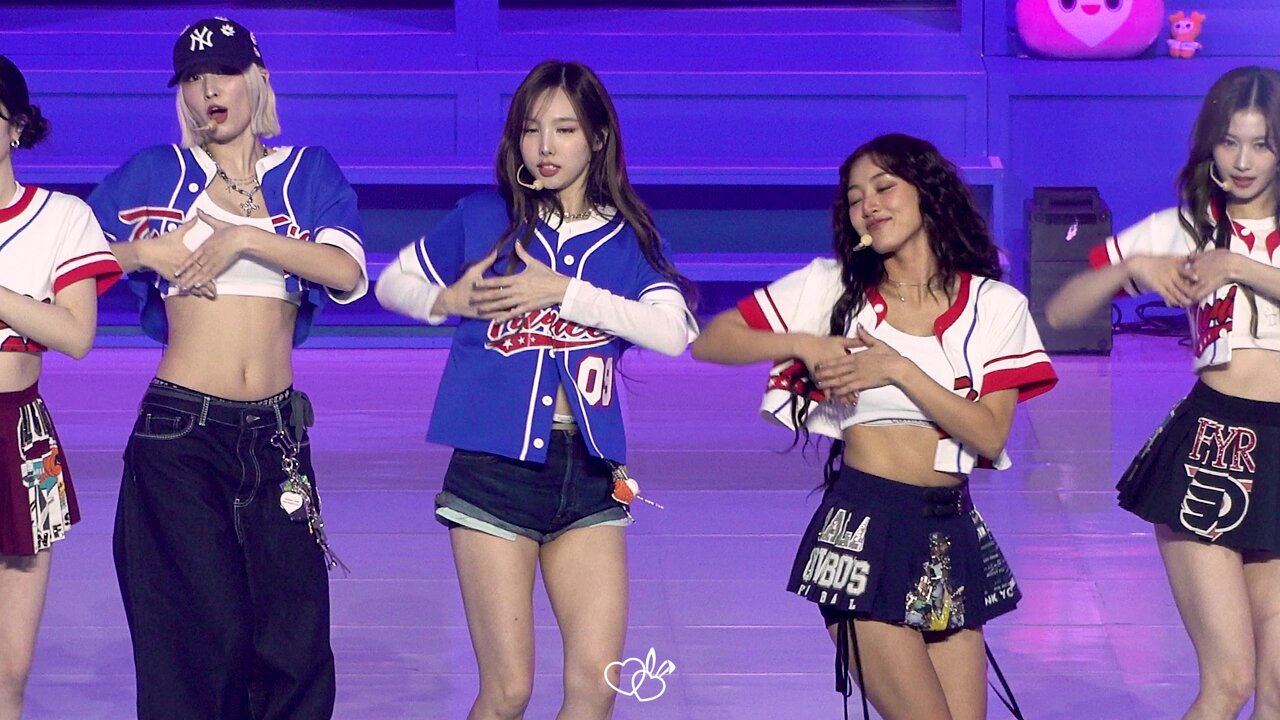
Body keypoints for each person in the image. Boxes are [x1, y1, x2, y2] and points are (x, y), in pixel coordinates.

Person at [691, 133, 1056, 720]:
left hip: (950, 533)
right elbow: (713, 339)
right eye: (856, 197)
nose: (869, 205)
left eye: (884, 188)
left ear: (927, 193)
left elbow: (990, 435)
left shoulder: (996, 305)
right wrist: (803, 343)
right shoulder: (830, 287)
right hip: (863, 531)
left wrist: (899, 369)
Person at [375, 60, 697, 720]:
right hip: (494, 474)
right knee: (508, 693)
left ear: (598, 138)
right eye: (530, 129)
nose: (545, 147)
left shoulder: (627, 237)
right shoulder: (483, 217)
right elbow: (391, 283)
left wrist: (564, 293)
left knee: (596, 689)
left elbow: (674, 332)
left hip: (591, 476)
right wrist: (445, 299)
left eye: (565, 129)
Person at [86, 17, 368, 720]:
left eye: (226, 73)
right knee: (196, 646)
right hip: (180, 438)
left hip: (276, 438)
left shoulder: (307, 172)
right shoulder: (156, 172)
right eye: (193, 78)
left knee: (294, 646)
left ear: (259, 79)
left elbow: (344, 271)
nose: (210, 89)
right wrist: (141, 253)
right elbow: (68, 261)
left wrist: (246, 237)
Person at [1047, 66, 1280, 720]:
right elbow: (1062, 310)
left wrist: (1237, 266)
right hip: (1213, 446)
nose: (1242, 162)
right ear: (1209, 144)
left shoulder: (1240, 247)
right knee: (1229, 683)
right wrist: (1132, 267)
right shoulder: (1183, 226)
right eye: (1229, 142)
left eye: (1261, 145)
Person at [0, 54, 121, 720]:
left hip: (24, 436)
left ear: (17, 126)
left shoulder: (62, 218)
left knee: (10, 669)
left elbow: (76, 336)